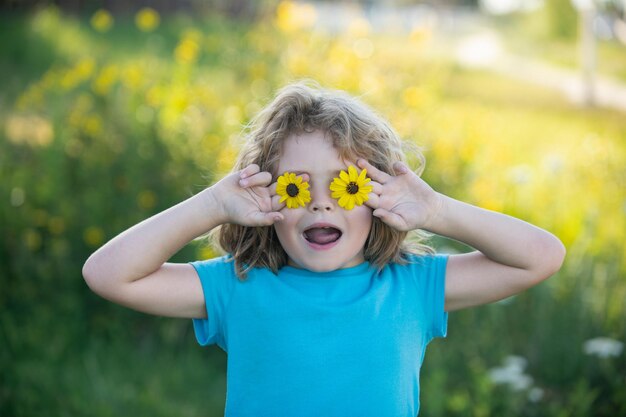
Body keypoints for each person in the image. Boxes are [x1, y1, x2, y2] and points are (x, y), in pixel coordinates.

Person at [82, 81, 565, 416]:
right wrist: (212, 203)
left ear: (377, 198)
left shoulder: (410, 285)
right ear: (266, 198)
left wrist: (437, 210)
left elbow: (541, 256)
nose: (319, 204)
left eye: (343, 186)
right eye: (295, 186)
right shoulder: (239, 284)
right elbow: (107, 274)